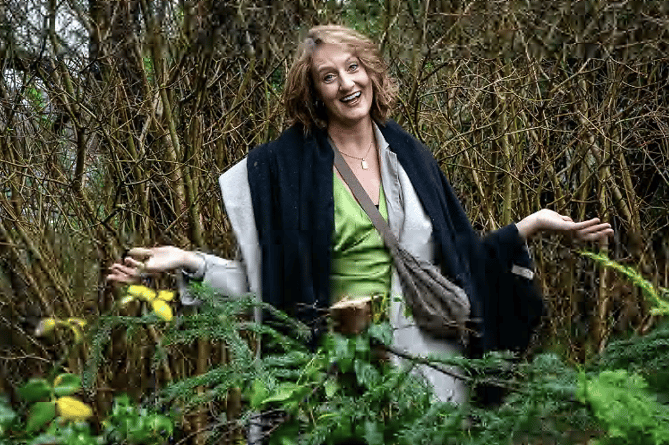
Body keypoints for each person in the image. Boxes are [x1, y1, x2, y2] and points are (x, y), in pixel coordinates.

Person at [107, 25, 613, 404]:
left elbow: (458, 263)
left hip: (434, 370)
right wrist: (189, 262)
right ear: (314, 92)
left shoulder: (411, 157)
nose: (347, 84)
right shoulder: (287, 173)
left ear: (372, 72)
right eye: (329, 76)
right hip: (340, 375)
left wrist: (532, 226)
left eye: (354, 68)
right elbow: (270, 290)